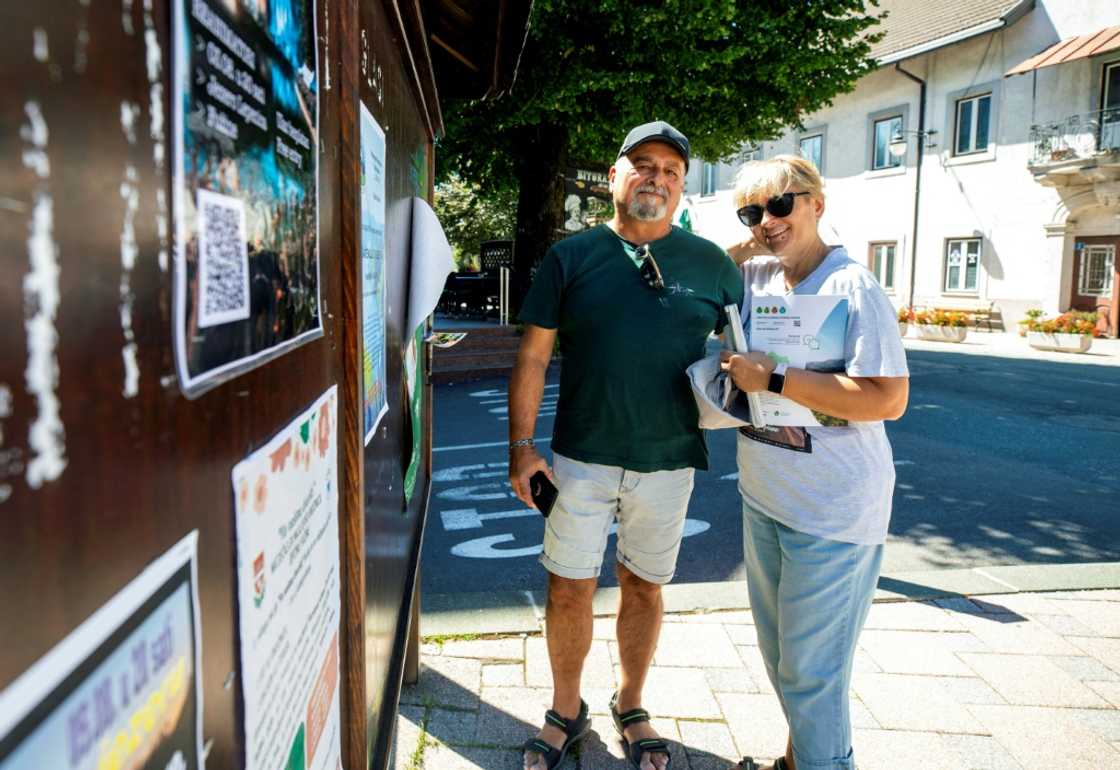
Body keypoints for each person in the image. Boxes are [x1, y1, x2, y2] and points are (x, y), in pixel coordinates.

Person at [508, 121, 744, 770]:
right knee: (567, 588)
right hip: (581, 457)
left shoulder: (712, 263)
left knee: (644, 587)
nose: (657, 178)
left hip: (671, 461)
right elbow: (532, 356)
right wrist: (521, 446)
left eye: (671, 170)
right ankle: (564, 709)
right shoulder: (572, 257)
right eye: (642, 164)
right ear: (613, 176)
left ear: (683, 186)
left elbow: (752, 348)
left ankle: (631, 703)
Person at [720, 154, 909, 770]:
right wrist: (750, 242)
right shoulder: (760, 277)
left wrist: (773, 377)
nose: (767, 220)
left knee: (812, 673)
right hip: (765, 497)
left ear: (817, 203)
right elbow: (701, 273)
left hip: (833, 511)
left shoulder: (852, 285)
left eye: (781, 204)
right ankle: (797, 761)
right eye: (753, 211)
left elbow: (888, 398)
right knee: (784, 660)